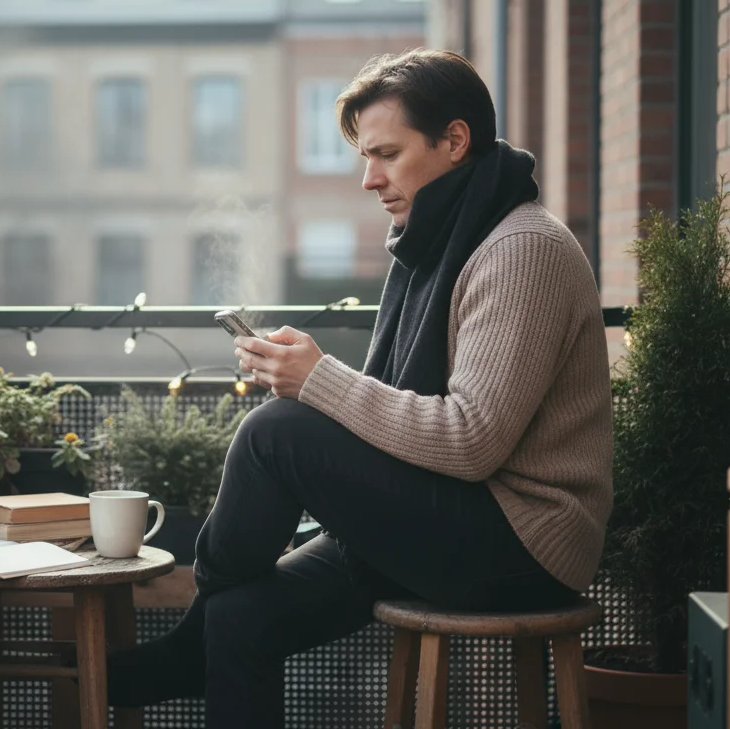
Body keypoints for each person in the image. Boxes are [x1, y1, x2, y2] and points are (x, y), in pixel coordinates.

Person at [107, 48, 613, 728]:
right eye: (364, 157)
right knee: (237, 616)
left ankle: (185, 649)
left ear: (454, 141)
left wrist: (319, 380)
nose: (369, 179)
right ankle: (200, 639)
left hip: (521, 542)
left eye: (387, 154)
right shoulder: (436, 242)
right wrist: (317, 386)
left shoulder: (521, 250)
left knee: (273, 433)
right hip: (451, 517)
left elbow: (472, 441)